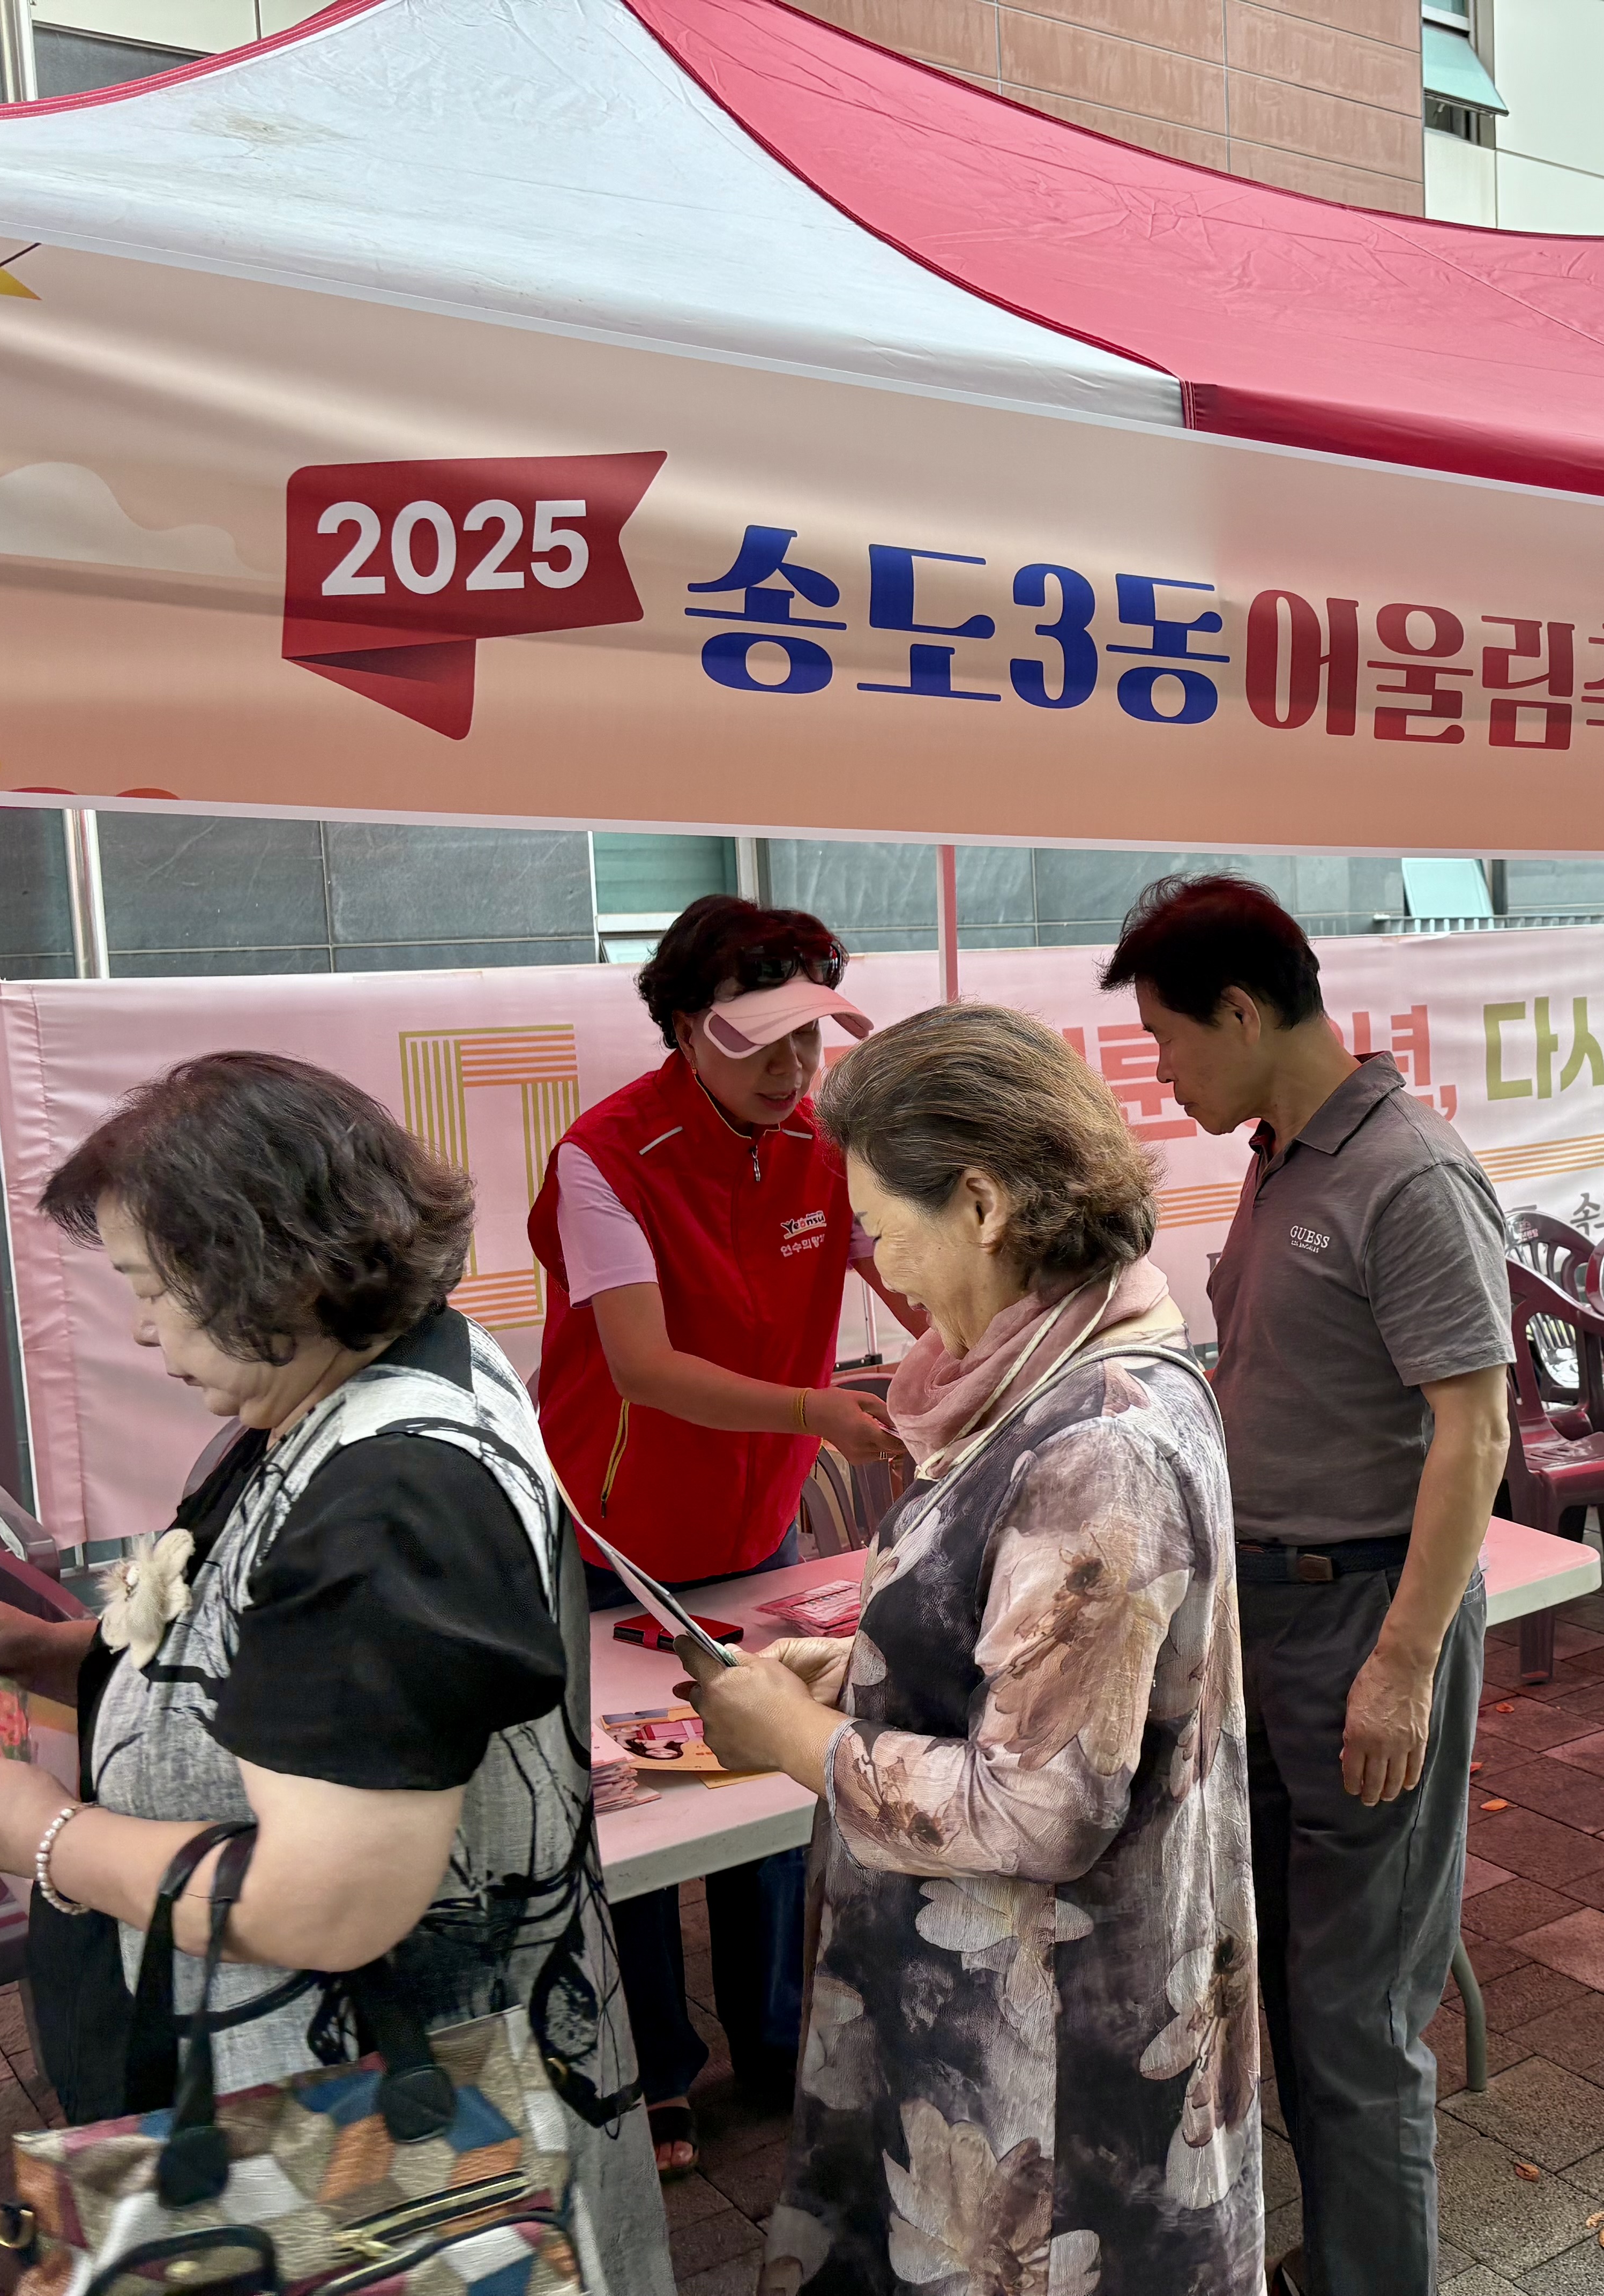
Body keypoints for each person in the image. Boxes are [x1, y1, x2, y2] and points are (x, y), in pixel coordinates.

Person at [0, 1054, 668, 2295]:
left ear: (275, 1270)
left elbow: (330, 1900)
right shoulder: (374, 1381)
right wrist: (57, 1658)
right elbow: (307, 1670)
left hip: (373, 2137)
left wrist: (42, 1837)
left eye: (158, 1292)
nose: (145, 1330)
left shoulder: (393, 1491)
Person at [682, 1005, 1262, 2295]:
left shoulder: (1093, 1439)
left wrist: (806, 1745)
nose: (879, 1263)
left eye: (888, 1227)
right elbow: (1042, 1668)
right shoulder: (1041, 1379)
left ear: (986, 1202)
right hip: (1012, 1999)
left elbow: (1044, 1806)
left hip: (1053, 2051)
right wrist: (864, 1675)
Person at [1102, 875, 1511, 2296]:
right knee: (1283, 1984)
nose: (1165, 1077)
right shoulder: (1284, 1158)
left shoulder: (1409, 1173)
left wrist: (1399, 1664)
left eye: (1171, 1044)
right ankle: (1342, 2257)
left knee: (1357, 2014)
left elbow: (1478, 1429)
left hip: (1365, 1617)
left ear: (1240, 1009)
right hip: (1262, 1615)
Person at [527, 893, 916, 2171]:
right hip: (614, 1528)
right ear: (691, 1028)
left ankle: (774, 2036)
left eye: (813, 1043)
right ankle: (654, 2073)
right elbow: (639, 1364)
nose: (795, 1073)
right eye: (765, 1044)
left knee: (765, 1756)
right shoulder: (604, 1155)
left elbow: (910, 1277)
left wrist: (980, 1362)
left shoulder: (823, 1143)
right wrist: (825, 1408)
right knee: (630, 1799)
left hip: (759, 1526)